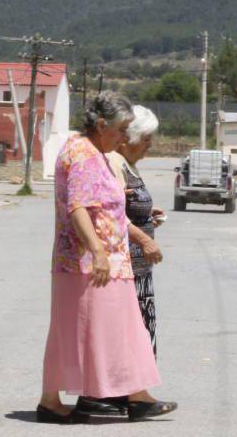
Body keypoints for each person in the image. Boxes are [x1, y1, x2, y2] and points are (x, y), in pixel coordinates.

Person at [38, 92, 178, 424]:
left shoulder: (94, 151)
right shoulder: (84, 153)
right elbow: (78, 208)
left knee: (115, 329)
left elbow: (103, 206)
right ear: (102, 125)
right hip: (89, 265)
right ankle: (57, 401)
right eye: (120, 129)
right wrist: (98, 252)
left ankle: (133, 396)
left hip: (102, 263)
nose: (123, 136)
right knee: (107, 330)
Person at [110, 105, 163, 355]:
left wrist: (148, 215)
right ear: (127, 140)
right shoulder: (115, 162)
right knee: (128, 331)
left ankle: (136, 392)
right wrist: (145, 239)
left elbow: (128, 206)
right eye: (145, 139)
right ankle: (127, 392)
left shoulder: (130, 164)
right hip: (126, 266)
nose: (149, 145)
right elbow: (112, 211)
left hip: (139, 268)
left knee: (141, 326)